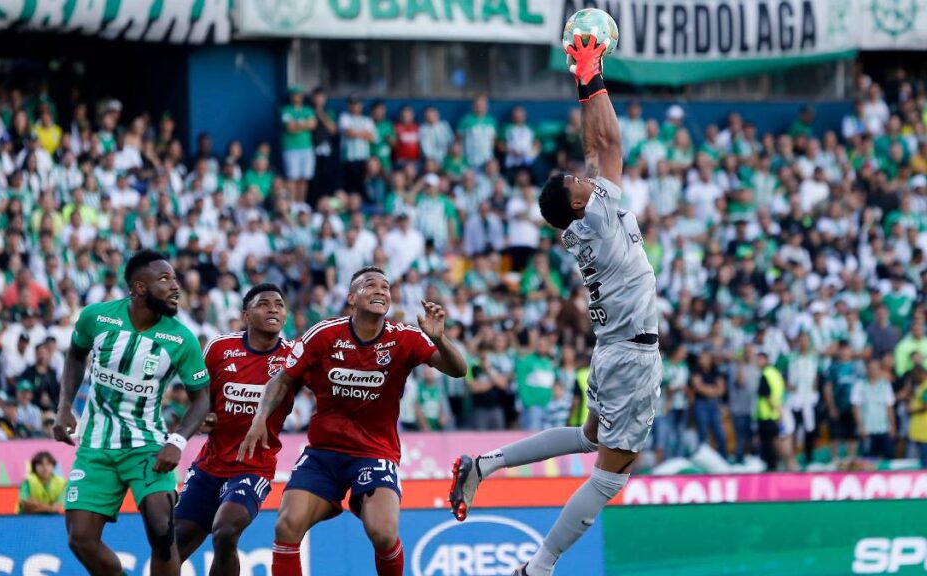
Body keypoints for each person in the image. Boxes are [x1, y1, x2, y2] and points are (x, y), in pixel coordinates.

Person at [448, 31, 662, 576]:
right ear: (576, 201)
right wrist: (591, 76)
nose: (585, 177)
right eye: (577, 181)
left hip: (611, 350)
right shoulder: (600, 216)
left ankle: (484, 464)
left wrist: (582, 84)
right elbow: (609, 146)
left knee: (590, 437)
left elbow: (595, 150)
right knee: (612, 474)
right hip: (631, 357)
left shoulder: (586, 219)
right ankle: (538, 567)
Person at [241, 266, 466, 576]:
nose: (380, 291)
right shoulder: (324, 334)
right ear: (351, 298)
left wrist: (439, 339)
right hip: (323, 454)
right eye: (370, 285)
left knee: (383, 533)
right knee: (286, 526)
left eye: (385, 287)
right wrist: (259, 419)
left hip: (375, 452)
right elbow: (282, 379)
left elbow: (459, 370)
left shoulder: (405, 337)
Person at [52, 250, 211, 576]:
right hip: (96, 444)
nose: (175, 287)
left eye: (175, 279)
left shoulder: (181, 338)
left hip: (149, 446)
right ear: (139, 288)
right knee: (80, 539)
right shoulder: (96, 317)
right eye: (164, 279)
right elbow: (75, 356)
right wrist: (64, 407)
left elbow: (202, 399)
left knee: (162, 529)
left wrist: (177, 441)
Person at [175, 283, 296, 576]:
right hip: (210, 465)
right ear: (246, 315)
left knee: (225, 531)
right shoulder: (220, 348)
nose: (273, 309)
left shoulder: (294, 356)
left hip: (253, 467)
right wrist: (205, 416)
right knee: (171, 547)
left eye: (279, 305)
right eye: (264, 304)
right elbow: (201, 398)